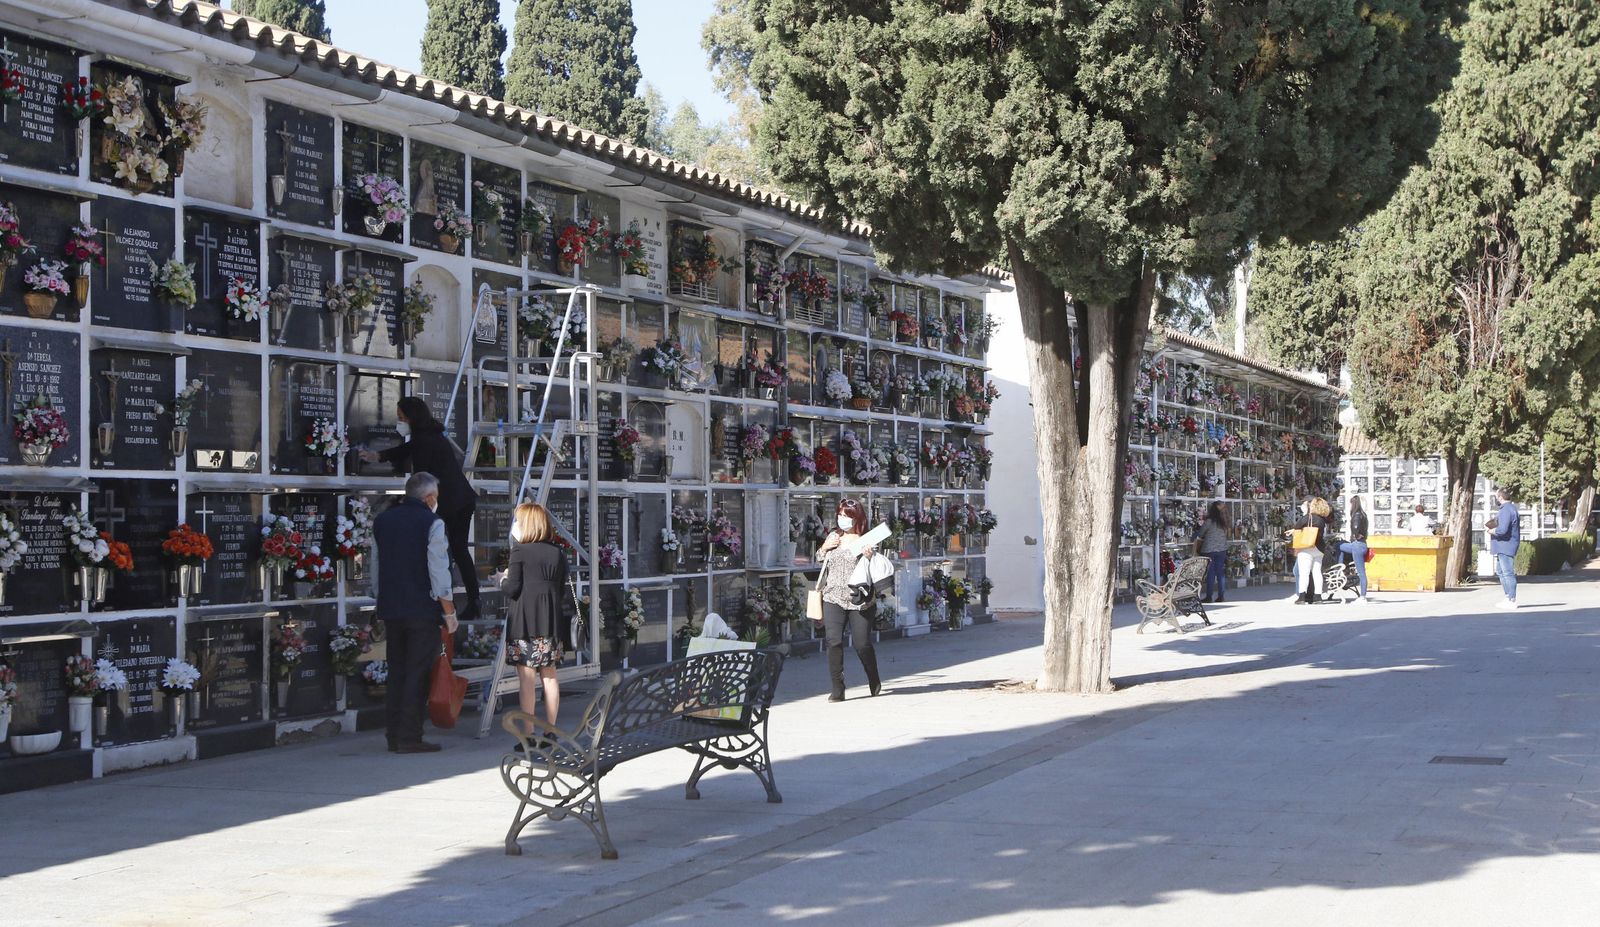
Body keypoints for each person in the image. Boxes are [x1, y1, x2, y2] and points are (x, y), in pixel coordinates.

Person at [361, 397, 481, 622]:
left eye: (401, 418)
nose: (399, 422)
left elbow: (422, 476)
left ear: (412, 417)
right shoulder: (430, 434)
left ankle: (448, 603)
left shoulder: (424, 440)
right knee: (458, 550)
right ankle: (473, 600)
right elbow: (406, 449)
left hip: (449, 502)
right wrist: (379, 456)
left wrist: (410, 505)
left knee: (443, 552)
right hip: (461, 499)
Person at [370, 472, 458, 753]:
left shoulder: (383, 520)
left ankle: (393, 734)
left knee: (397, 670)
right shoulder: (432, 523)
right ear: (429, 498)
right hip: (422, 609)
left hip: (391, 607)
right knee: (417, 673)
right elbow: (438, 571)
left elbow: (375, 564)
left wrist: (379, 598)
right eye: (436, 497)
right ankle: (410, 736)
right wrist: (449, 611)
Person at [501, 502, 571, 741]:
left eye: (518, 521)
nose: (515, 525)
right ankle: (551, 731)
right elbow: (561, 590)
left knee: (527, 679)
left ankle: (528, 736)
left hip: (524, 623)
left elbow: (512, 588)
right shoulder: (557, 553)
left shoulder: (519, 551)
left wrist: (500, 580)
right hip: (550, 622)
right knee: (550, 676)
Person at [813, 499, 882, 701]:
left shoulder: (867, 539)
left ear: (857, 518)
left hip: (859, 598)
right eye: (840, 515)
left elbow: (876, 567)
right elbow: (819, 559)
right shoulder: (834, 536)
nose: (842, 519)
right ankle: (838, 688)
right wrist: (824, 547)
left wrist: (869, 556)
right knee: (833, 641)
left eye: (847, 516)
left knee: (862, 644)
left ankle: (873, 676)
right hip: (833, 596)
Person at [1286, 497, 1330, 605]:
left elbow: (1297, 527)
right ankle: (1318, 596)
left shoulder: (1308, 517)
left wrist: (1293, 530)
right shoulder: (1322, 520)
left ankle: (1302, 597)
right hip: (1319, 549)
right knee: (1317, 572)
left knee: (1304, 573)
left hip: (1306, 548)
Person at [1489, 487, 1521, 609]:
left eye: (1496, 496)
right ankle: (1508, 597)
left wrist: (1491, 530)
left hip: (1505, 545)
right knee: (1501, 571)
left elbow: (1502, 530)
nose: (1496, 499)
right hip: (1505, 545)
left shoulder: (1506, 510)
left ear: (1500, 497)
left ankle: (1511, 599)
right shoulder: (1511, 508)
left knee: (1507, 573)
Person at [1195, 501, 1230, 604]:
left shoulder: (1209, 521)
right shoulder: (1224, 522)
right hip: (1222, 549)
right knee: (1220, 573)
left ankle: (1209, 596)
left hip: (1209, 550)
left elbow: (1201, 533)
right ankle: (1221, 596)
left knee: (1210, 573)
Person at [1339, 496, 1371, 604]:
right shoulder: (1364, 515)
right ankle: (1342, 567)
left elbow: (1355, 528)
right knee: (1362, 572)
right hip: (1363, 545)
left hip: (1357, 545)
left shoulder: (1356, 515)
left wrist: (1356, 536)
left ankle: (1341, 568)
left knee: (1339, 545)